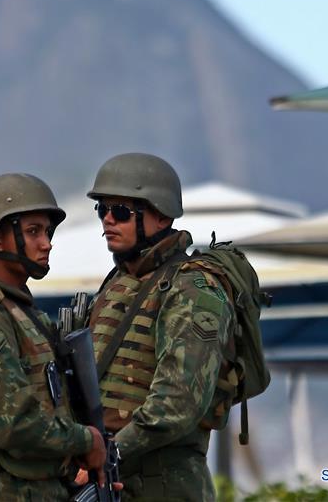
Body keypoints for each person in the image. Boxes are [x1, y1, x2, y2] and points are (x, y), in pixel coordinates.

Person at [0, 173, 107, 501]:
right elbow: (10, 423)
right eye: (33, 231)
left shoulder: (21, 312)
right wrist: (87, 441)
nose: (47, 242)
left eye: (47, 231)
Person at [84, 152, 235, 501]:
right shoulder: (116, 284)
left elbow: (177, 404)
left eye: (121, 211)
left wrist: (107, 453)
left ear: (162, 214)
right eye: (102, 210)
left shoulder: (193, 289)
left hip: (165, 483)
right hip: (111, 478)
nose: (108, 220)